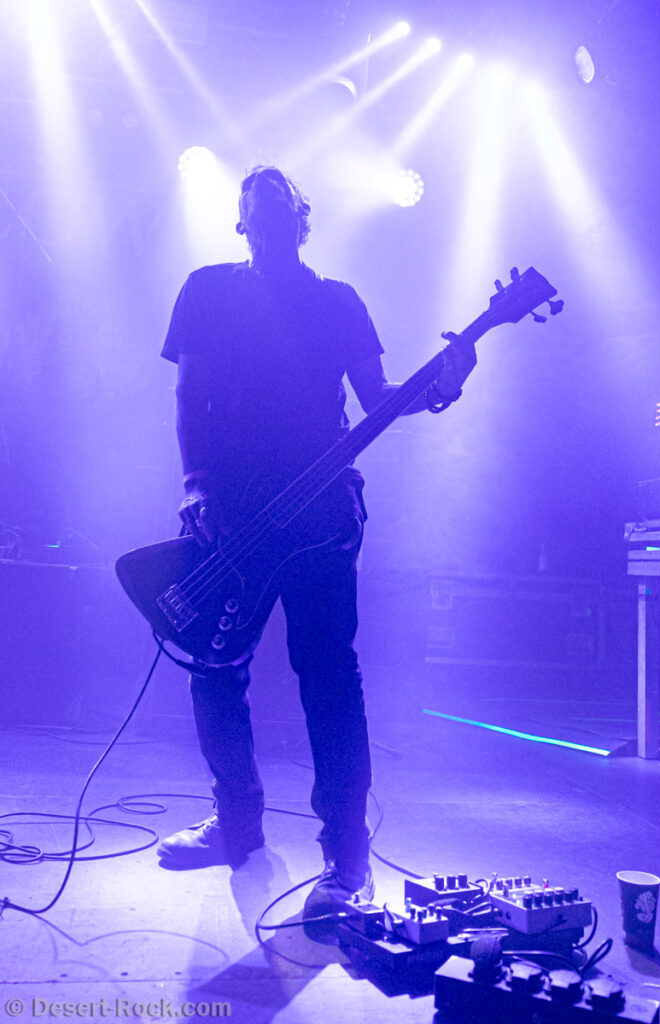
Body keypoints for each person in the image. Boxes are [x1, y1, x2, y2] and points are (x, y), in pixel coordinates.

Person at [156, 165, 476, 930]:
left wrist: (444, 384)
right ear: (240, 221)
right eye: (253, 202)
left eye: (281, 202)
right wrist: (195, 485)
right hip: (232, 512)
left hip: (321, 516)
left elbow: (379, 401)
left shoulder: (337, 302)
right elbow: (188, 395)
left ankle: (346, 858)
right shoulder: (207, 289)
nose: (266, 208)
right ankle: (235, 824)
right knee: (213, 669)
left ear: (303, 220)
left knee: (329, 677)